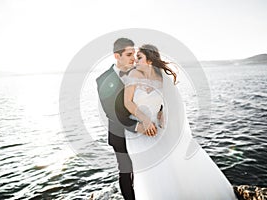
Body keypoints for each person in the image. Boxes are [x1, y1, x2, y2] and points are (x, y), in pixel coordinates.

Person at [123, 44, 238, 199]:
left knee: (171, 161)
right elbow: (128, 103)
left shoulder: (161, 78)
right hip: (138, 129)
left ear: (149, 60)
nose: (135, 60)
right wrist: (144, 121)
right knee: (148, 168)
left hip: (156, 128)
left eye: (139, 57)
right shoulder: (134, 75)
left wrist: (163, 119)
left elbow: (167, 105)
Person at [96, 38, 157, 200]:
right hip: (120, 134)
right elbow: (111, 113)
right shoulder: (103, 80)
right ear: (117, 56)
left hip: (145, 133)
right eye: (129, 54)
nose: (133, 58)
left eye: (134, 54)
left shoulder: (138, 72)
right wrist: (138, 126)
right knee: (126, 171)